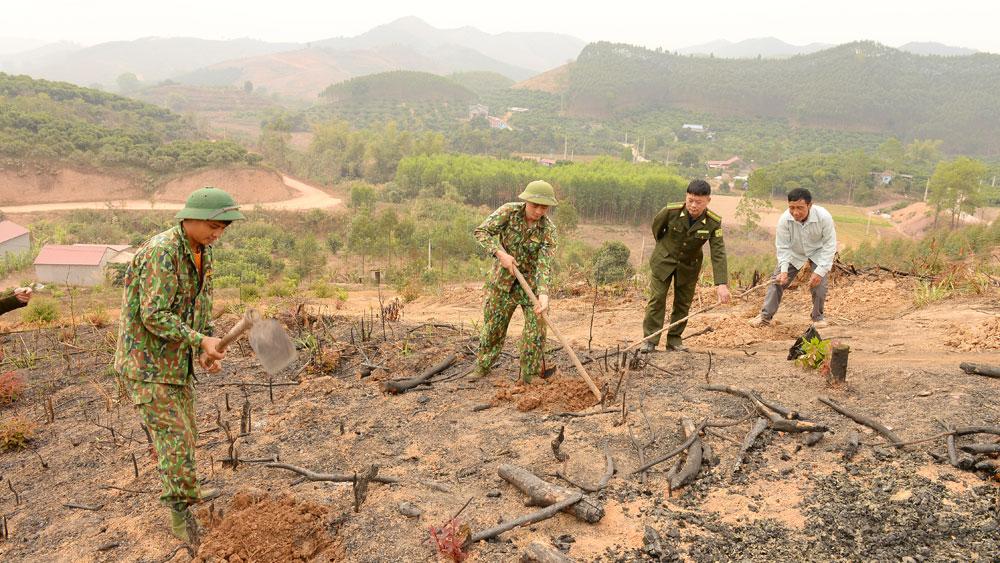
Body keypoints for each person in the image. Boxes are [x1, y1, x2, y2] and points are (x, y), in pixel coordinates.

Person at [114, 187, 244, 542]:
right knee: (175, 441)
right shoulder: (162, 252)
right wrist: (198, 339)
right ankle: (179, 513)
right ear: (188, 217)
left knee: (187, 436)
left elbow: (200, 306)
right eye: (212, 225)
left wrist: (207, 343)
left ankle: (186, 493)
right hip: (147, 365)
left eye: (224, 227)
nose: (218, 233)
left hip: (176, 364)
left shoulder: (202, 251)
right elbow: (153, 315)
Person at [472, 180, 557, 382]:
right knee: (494, 327)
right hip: (502, 283)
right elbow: (481, 232)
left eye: (544, 207)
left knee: (536, 330)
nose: (538, 211)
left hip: (531, 287)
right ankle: (483, 366)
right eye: (535, 205)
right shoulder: (508, 212)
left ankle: (530, 374)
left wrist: (543, 295)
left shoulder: (548, 230)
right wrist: (500, 253)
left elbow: (544, 264)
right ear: (526, 201)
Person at [641, 179, 730, 352]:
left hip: (689, 267)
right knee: (657, 299)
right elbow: (657, 230)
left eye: (699, 202)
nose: (694, 205)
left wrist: (721, 284)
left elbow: (718, 252)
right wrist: (665, 249)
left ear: (708, 201)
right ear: (686, 197)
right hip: (664, 262)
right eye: (690, 200)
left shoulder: (713, 222)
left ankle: (674, 340)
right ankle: (650, 340)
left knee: (682, 304)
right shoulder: (671, 211)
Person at [750, 187, 837, 328]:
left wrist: (819, 272)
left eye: (800, 208)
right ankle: (765, 317)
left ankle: (818, 318)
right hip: (794, 253)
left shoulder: (824, 217)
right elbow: (783, 247)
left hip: (818, 251)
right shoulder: (785, 220)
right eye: (792, 208)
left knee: (819, 285)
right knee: (777, 281)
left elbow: (829, 245)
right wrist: (784, 270)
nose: (795, 212)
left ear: (810, 205)